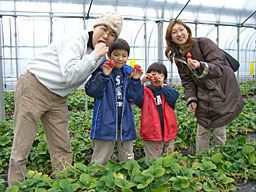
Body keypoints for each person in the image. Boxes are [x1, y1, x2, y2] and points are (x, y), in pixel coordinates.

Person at [8, 11, 123, 186]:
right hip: (34, 86)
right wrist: (94, 56)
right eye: (104, 29)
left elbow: (91, 83)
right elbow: (70, 74)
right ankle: (15, 185)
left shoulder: (100, 56)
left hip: (59, 97)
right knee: (23, 141)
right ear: (95, 27)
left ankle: (64, 185)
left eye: (112, 34)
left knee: (62, 145)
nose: (106, 35)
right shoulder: (76, 39)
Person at [165, 19, 244, 154]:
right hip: (202, 92)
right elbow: (187, 81)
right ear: (170, 37)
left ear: (188, 31)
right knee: (202, 128)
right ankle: (201, 161)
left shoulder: (204, 43)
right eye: (174, 32)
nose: (179, 34)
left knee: (219, 129)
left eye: (181, 29)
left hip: (220, 89)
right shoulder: (178, 57)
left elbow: (219, 67)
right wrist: (191, 98)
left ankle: (219, 160)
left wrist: (200, 65)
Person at [85, 38, 143, 165]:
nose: (120, 58)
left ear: (128, 57)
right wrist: (104, 76)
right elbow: (91, 91)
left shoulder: (129, 73)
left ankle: (127, 184)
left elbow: (136, 98)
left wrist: (135, 81)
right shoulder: (101, 70)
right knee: (100, 161)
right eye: (116, 54)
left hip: (125, 125)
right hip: (104, 125)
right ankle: (96, 184)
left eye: (124, 55)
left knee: (128, 162)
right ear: (109, 55)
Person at [135, 62, 179, 159]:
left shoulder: (167, 90)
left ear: (165, 78)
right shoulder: (145, 91)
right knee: (152, 162)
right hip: (152, 135)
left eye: (160, 75)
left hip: (169, 133)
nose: (156, 78)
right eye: (153, 74)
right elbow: (137, 99)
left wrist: (162, 84)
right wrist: (141, 82)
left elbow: (174, 97)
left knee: (169, 161)